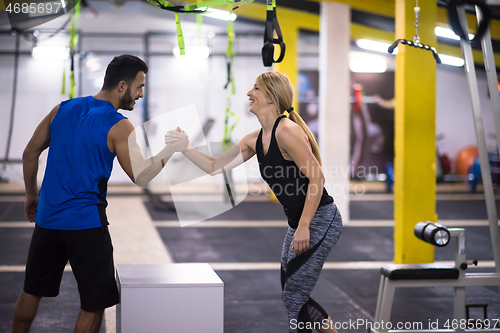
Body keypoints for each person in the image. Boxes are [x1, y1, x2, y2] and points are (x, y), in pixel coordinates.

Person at [13, 54, 188, 333]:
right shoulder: (119, 125)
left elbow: (29, 153)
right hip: (86, 226)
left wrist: (31, 195)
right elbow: (141, 175)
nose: (141, 94)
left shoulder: (62, 109)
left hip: (47, 220)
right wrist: (171, 149)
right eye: (139, 87)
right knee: (93, 304)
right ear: (121, 86)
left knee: (31, 291)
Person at [167, 71, 342, 333]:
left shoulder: (287, 131)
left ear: (271, 98)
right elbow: (216, 166)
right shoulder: (254, 139)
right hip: (300, 221)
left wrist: (304, 225)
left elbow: (317, 177)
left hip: (320, 218)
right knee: (293, 294)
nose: (250, 93)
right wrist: (185, 147)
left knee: (294, 295)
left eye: (256, 88)